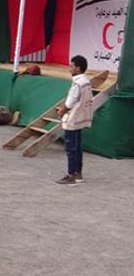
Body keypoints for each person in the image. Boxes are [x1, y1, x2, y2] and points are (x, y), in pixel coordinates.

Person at [56, 55, 93, 185]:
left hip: (73, 119)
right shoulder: (87, 82)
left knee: (71, 148)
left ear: (78, 68)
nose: (69, 69)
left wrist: (62, 111)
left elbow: (70, 102)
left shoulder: (77, 83)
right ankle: (78, 174)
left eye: (72, 66)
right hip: (81, 118)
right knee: (77, 147)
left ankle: (71, 175)